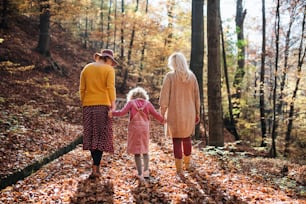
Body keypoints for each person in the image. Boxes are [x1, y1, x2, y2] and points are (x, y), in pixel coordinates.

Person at [79, 49, 119, 179]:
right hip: (103, 105)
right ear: (108, 59)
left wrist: (85, 102)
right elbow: (110, 87)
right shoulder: (108, 70)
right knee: (100, 137)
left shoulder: (87, 68)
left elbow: (82, 89)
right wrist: (113, 105)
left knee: (91, 136)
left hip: (88, 106)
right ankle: (96, 167)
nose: (111, 65)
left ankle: (94, 167)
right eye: (111, 62)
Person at [110, 87, 165, 180]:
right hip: (144, 129)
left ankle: (140, 173)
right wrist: (163, 120)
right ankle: (146, 172)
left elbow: (122, 112)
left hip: (134, 128)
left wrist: (112, 113)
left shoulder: (131, 103)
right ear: (144, 96)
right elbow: (156, 114)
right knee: (145, 150)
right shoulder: (148, 104)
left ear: (132, 96)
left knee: (137, 152)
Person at [159, 52, 200, 174]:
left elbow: (164, 97)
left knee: (176, 140)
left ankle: (179, 169)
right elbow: (197, 97)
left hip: (175, 112)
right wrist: (197, 112)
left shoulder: (170, 76)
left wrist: (162, 112)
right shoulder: (192, 76)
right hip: (189, 112)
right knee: (187, 138)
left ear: (173, 63)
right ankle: (187, 165)